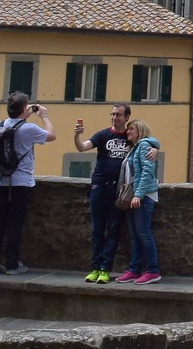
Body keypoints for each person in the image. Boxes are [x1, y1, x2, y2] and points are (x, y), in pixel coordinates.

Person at [0, 92, 55, 275]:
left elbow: (14, 126)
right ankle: (12, 264)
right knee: (15, 223)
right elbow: (51, 135)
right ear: (24, 109)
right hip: (21, 181)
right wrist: (44, 116)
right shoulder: (29, 129)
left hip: (0, 180)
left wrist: (25, 112)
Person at [72, 102, 133, 283]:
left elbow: (149, 141)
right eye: (112, 114)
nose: (114, 117)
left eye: (118, 115)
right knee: (97, 230)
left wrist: (153, 148)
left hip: (118, 190)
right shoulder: (103, 135)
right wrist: (77, 135)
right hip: (99, 187)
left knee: (113, 230)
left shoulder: (130, 136)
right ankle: (95, 267)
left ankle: (106, 269)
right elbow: (82, 147)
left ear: (127, 117)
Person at [114, 119, 163, 284]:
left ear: (139, 131)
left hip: (142, 197)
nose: (128, 132)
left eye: (131, 130)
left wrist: (139, 195)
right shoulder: (135, 148)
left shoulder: (143, 146)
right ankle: (134, 269)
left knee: (144, 234)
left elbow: (147, 171)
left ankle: (152, 270)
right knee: (135, 235)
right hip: (134, 196)